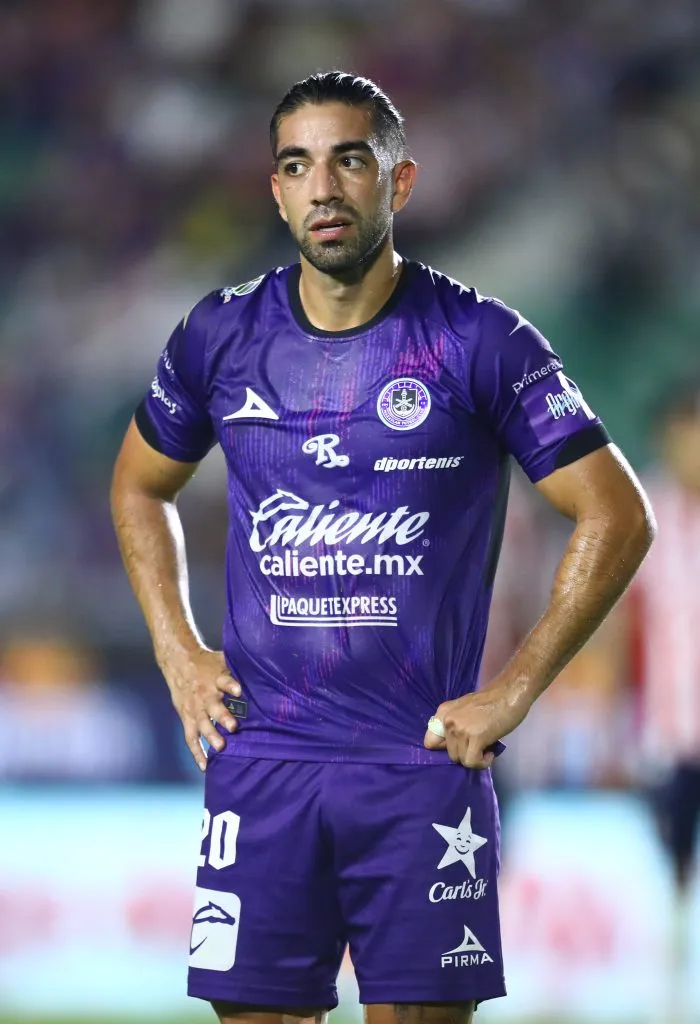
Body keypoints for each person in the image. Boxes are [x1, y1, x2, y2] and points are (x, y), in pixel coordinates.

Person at [110, 71, 655, 1024]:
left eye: (349, 160)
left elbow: (618, 512)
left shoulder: (479, 340)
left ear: (398, 183)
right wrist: (177, 650)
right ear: (276, 192)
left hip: (420, 766)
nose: (323, 187)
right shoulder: (217, 336)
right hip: (263, 758)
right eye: (297, 165)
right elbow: (138, 485)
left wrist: (513, 691)